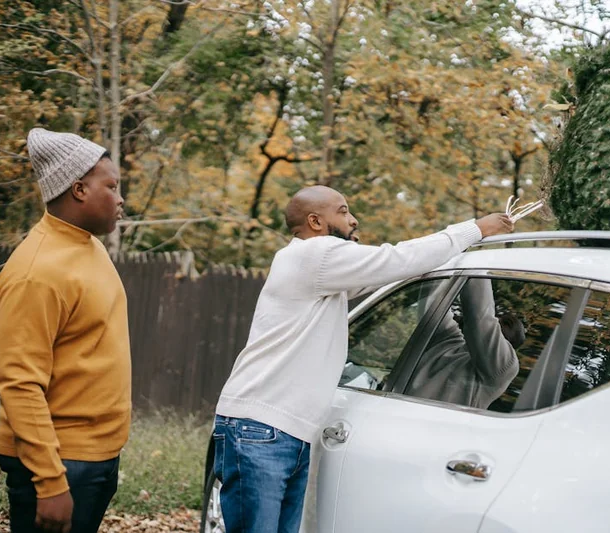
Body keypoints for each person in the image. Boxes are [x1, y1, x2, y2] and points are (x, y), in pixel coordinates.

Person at [213, 185, 514, 533]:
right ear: (315, 221)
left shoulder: (316, 270)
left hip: (276, 431)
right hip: (260, 430)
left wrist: (458, 250)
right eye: (343, 211)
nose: (353, 220)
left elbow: (397, 270)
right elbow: (396, 259)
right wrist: (475, 229)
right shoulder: (315, 255)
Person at [0, 128, 130, 533]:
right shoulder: (37, 273)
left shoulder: (87, 246)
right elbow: (18, 384)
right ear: (79, 190)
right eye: (112, 186)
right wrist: (51, 484)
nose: (120, 198)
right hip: (57, 464)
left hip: (94, 457)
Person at [406, 278, 525, 410]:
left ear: (510, 347)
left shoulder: (505, 367)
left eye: (507, 323)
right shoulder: (448, 341)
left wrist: (477, 261)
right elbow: (432, 300)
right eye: (498, 318)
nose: (497, 321)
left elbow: (480, 317)